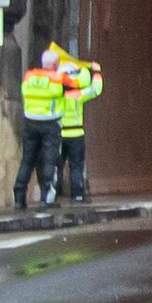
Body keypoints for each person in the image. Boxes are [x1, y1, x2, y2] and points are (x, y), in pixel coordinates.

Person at [14, 45, 73, 209]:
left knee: (27, 160)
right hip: (50, 124)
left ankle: (19, 197)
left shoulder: (29, 77)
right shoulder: (58, 79)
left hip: (31, 123)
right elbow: (77, 83)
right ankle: (46, 197)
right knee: (50, 160)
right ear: (55, 64)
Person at [52, 46, 103, 199]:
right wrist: (96, 72)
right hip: (76, 134)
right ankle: (77, 195)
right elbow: (95, 89)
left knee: (55, 166)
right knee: (76, 166)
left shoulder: (54, 94)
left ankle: (53, 194)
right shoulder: (78, 94)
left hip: (58, 135)